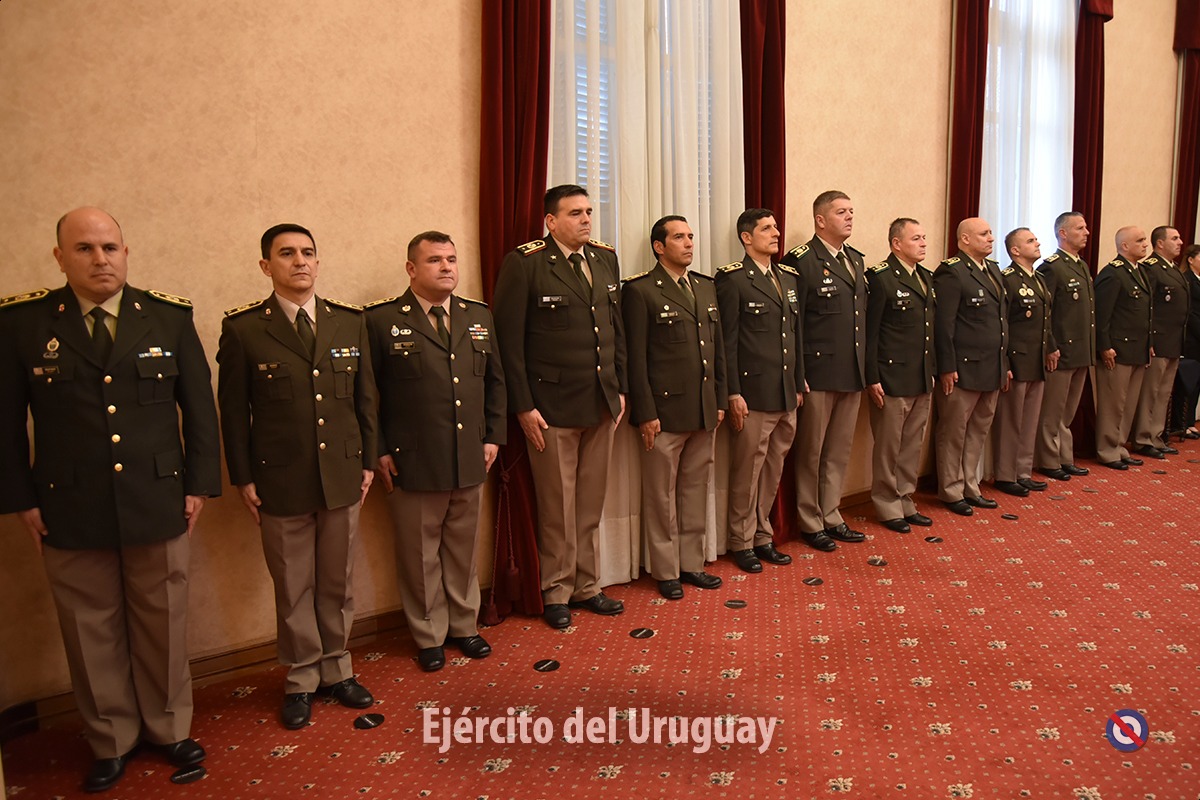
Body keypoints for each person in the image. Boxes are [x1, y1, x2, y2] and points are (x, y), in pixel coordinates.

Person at [0, 207, 221, 792]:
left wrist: (199, 484)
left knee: (164, 621)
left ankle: (168, 727)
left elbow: (199, 407)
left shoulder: (168, 317)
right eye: (85, 249)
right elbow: (3, 421)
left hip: (158, 498)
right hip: (68, 504)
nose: (100, 259)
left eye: (110, 247)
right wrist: (20, 497)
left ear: (126, 252)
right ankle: (111, 739)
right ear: (59, 258)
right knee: (88, 626)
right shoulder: (23, 324)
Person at [217, 223, 378, 729]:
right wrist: (242, 476)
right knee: (293, 585)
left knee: (338, 581)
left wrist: (368, 460)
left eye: (308, 252)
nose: (300, 262)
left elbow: (366, 400)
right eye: (286, 254)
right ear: (267, 266)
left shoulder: (348, 322)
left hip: (342, 474)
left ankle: (338, 669)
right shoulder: (244, 329)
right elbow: (233, 412)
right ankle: (302, 678)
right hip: (279, 479)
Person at [366, 232, 505, 671]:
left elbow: (496, 383)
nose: (446, 267)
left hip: (468, 453)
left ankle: (464, 626)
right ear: (411, 269)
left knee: (462, 549)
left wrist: (493, 436)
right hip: (413, 457)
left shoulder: (477, 316)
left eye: (451, 259)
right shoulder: (381, 320)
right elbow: (367, 396)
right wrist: (380, 450)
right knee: (419, 552)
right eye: (434, 261)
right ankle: (428, 634)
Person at [492, 185, 627, 629]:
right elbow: (508, 343)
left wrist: (620, 387)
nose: (587, 219)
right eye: (575, 213)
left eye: (589, 211)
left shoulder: (605, 258)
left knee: (590, 503)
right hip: (550, 407)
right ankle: (556, 590)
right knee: (557, 506)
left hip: (601, 402)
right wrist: (523, 406)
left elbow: (615, 329)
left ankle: (588, 585)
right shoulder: (526, 262)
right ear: (551, 221)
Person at [623, 215, 726, 599]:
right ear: (659, 246)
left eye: (690, 236)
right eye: (679, 237)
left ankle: (691, 563)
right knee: (661, 494)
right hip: (663, 413)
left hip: (702, 408)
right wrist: (646, 412)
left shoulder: (705, 287)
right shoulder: (642, 291)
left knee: (696, 490)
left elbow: (718, 353)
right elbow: (636, 359)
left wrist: (718, 397)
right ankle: (666, 570)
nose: (688, 243)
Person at [715, 208, 803, 572]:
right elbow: (727, 343)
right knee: (747, 471)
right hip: (753, 394)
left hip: (785, 393)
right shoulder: (733, 280)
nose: (776, 232)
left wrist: (798, 383)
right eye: (767, 228)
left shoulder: (788, 277)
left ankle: (762, 534)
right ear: (746, 238)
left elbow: (795, 336)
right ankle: (740, 540)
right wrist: (733, 393)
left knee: (772, 470)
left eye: (776, 226)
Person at [781, 191, 868, 551]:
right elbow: (793, 323)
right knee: (811, 451)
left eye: (851, 211)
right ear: (820, 220)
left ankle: (832, 514)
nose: (849, 217)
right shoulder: (801, 261)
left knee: (839, 450)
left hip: (851, 370)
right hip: (817, 371)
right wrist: (798, 370)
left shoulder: (856, 260)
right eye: (841, 212)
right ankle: (810, 520)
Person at [933, 217, 1010, 516]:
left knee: (978, 431)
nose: (991, 238)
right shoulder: (952, 272)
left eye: (991, 232)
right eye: (983, 234)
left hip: (992, 366)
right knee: (954, 432)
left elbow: (1001, 323)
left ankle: (970, 485)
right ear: (964, 239)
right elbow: (944, 325)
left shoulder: (992, 270)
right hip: (963, 369)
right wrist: (947, 366)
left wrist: (1005, 364)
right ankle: (951, 490)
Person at [864, 218, 936, 534]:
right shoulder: (880, 279)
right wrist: (872, 376)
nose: (923, 243)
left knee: (912, 444)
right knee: (889, 447)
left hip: (920, 375)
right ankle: (886, 503)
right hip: (891, 375)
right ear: (896, 244)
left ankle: (906, 498)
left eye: (923, 238)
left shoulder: (926, 278)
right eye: (915, 238)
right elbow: (870, 332)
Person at [993, 228, 1055, 496]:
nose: (1037, 243)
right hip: (1016, 359)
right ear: (1015, 250)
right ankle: (1006, 475)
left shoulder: (1039, 278)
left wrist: (1051, 348)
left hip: (1037, 359)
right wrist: (1004, 362)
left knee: (1029, 420)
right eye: (1030, 241)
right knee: (1011, 421)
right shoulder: (1007, 279)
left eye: (1036, 239)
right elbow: (1003, 324)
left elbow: (1045, 321)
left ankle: (1022, 471)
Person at [1034, 212, 1095, 481]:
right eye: (1080, 228)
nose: (1086, 232)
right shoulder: (1052, 267)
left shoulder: (1081, 265)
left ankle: (1064, 456)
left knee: (1068, 410)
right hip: (1061, 351)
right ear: (1063, 233)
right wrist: (1050, 345)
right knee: (1053, 410)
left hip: (1082, 349)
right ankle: (1049, 460)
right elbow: (1044, 312)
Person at [1093, 226, 1152, 469]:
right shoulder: (1113, 273)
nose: (1145, 244)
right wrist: (1105, 346)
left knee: (1128, 403)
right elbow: (1102, 315)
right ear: (1124, 246)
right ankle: (1107, 449)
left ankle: (1119, 445)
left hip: (1137, 348)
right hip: (1117, 350)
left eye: (1145, 240)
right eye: (1139, 241)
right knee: (1113, 403)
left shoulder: (1139, 271)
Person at [1131, 226, 1187, 458]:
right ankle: (1143, 438)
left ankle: (1156, 436)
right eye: (1174, 238)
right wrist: (1149, 339)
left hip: (1173, 341)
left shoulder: (1173, 269)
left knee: (1164, 393)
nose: (1181, 242)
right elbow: (1147, 308)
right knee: (1150, 393)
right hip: (1158, 341)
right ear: (1160, 244)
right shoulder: (1151, 269)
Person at [1176, 244, 1200, 438]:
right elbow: (1190, 312)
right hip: (1192, 338)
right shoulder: (1188, 280)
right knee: (1190, 381)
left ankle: (1191, 421)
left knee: (1198, 382)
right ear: (1191, 260)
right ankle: (1184, 422)